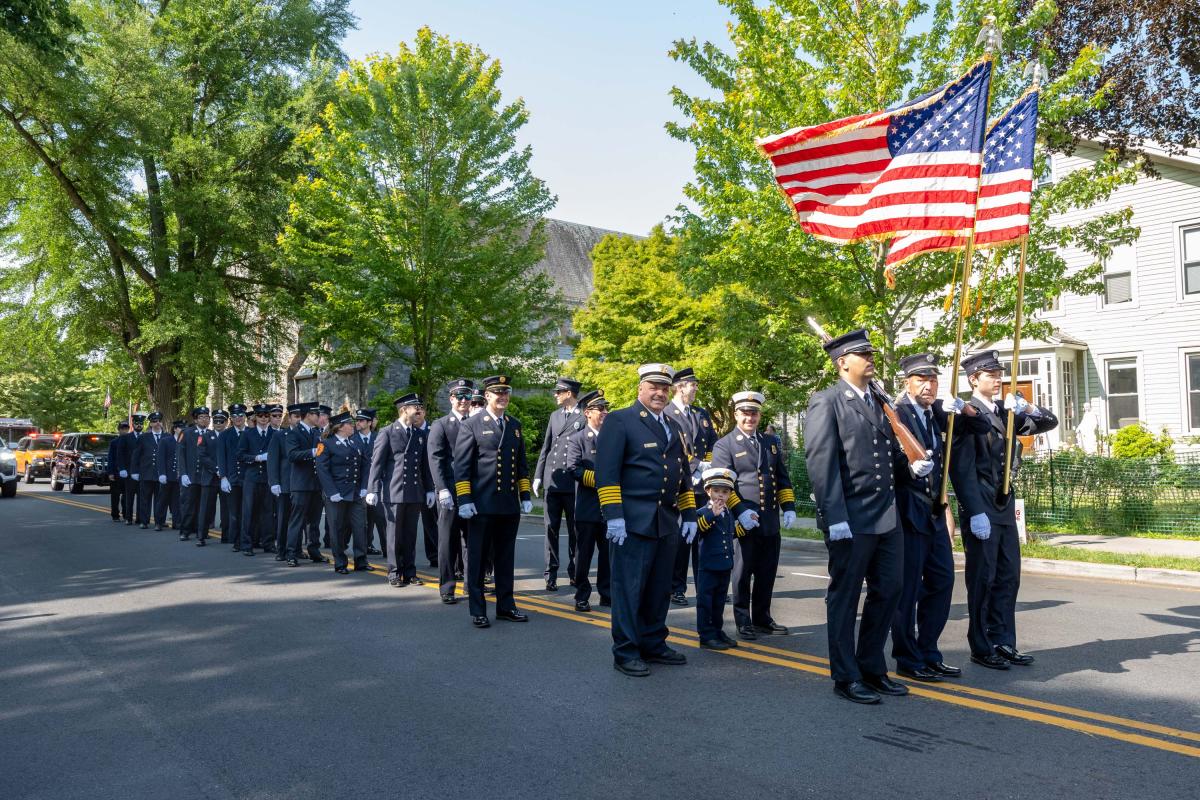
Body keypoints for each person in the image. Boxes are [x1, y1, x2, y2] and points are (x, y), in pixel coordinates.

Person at [804, 329, 915, 705]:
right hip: (850, 517)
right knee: (845, 597)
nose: (870, 359)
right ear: (843, 363)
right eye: (862, 354)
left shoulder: (879, 399)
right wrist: (833, 515)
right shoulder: (827, 401)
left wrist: (912, 465)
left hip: (886, 515)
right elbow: (821, 462)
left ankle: (872, 667)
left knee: (889, 591)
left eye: (870, 353)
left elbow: (887, 453)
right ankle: (846, 676)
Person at [950, 350, 1059, 670]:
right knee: (983, 578)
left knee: (1008, 576)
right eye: (990, 375)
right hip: (982, 505)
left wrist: (1027, 406)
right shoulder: (965, 414)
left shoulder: (1005, 411)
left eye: (999, 375)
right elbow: (961, 468)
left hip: (1004, 503)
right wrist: (973, 509)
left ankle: (1003, 641)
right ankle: (981, 644)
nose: (997, 380)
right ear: (974, 379)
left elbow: (1047, 423)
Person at [595, 363, 698, 677]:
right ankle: (625, 651)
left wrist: (690, 513)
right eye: (654, 387)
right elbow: (606, 473)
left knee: (658, 588)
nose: (659, 393)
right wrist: (614, 517)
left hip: (664, 521)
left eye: (665, 388)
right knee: (629, 589)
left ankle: (653, 642)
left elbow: (682, 476)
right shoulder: (620, 421)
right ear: (640, 388)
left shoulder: (674, 426)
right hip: (632, 522)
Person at [890, 353, 983, 682]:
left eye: (932, 380)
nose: (928, 386)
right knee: (908, 588)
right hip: (909, 511)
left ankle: (929, 651)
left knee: (943, 581)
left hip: (934, 509)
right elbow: (889, 465)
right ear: (908, 383)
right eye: (921, 380)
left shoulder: (936, 414)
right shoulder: (896, 415)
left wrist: (965, 407)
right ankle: (907, 655)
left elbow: (980, 425)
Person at [712, 390, 797, 640]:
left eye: (754, 413)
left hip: (769, 520)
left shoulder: (769, 442)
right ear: (736, 414)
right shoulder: (724, 444)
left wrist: (789, 507)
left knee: (767, 572)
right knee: (742, 572)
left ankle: (762, 618)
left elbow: (782, 478)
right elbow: (723, 485)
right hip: (742, 521)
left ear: (759, 415)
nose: (750, 418)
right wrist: (740, 511)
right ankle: (743, 620)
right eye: (745, 413)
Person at [452, 375, 533, 628]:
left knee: (505, 558)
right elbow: (462, 466)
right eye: (498, 393)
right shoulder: (472, 425)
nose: (503, 398)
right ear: (487, 396)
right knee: (476, 557)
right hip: (482, 504)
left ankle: (506, 606)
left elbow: (521, 464)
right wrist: (464, 499)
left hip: (508, 505)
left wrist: (525, 495)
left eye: (506, 393)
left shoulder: (514, 425)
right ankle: (477, 609)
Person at [367, 394, 435, 588]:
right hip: (394, 491)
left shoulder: (419, 434)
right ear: (404, 409)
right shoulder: (387, 432)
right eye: (416, 407)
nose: (419, 411)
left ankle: (410, 572)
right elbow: (377, 463)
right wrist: (373, 488)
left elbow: (425, 466)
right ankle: (395, 572)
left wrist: (429, 490)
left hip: (414, 492)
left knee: (411, 535)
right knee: (394, 535)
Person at [667, 367, 718, 606]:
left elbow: (711, 444)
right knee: (680, 541)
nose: (696, 388)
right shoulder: (667, 413)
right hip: (679, 484)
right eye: (692, 384)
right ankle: (676, 587)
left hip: (701, 486)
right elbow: (671, 448)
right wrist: (695, 466)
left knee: (702, 537)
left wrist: (707, 465)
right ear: (679, 386)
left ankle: (703, 585)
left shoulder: (701, 414)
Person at [534, 377, 583, 591]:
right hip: (553, 480)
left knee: (575, 531)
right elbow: (547, 447)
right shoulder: (555, 416)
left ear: (569, 393)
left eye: (559, 391)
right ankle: (550, 573)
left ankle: (575, 571)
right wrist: (537, 476)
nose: (555, 395)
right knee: (550, 530)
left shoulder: (583, 415)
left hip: (573, 484)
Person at [564, 389, 611, 613]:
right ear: (587, 413)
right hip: (588, 506)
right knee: (583, 554)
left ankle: (607, 593)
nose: (604, 412)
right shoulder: (577, 439)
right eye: (600, 409)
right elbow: (573, 469)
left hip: (610, 506)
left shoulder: (613, 438)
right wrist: (602, 481)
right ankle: (582, 594)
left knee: (608, 554)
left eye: (606, 408)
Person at [427, 379, 474, 603]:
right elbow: (435, 459)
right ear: (452, 399)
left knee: (472, 541)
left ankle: (471, 584)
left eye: (467, 396)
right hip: (450, 491)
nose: (464, 401)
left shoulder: (475, 423)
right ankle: (447, 587)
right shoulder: (441, 424)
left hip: (472, 491)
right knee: (448, 540)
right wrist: (442, 489)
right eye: (460, 396)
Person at [694, 467, 742, 650]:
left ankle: (717, 630)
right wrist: (711, 515)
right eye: (716, 491)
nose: (720, 496)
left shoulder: (728, 512)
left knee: (719, 601)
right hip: (708, 565)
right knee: (705, 601)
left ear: (730, 493)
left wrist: (745, 527)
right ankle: (706, 635)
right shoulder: (702, 512)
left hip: (724, 564)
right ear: (707, 491)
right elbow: (698, 529)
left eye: (725, 492)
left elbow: (728, 534)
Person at [317, 411, 369, 574]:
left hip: (354, 493)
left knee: (360, 527)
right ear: (340, 427)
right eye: (349, 423)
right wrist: (331, 491)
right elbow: (322, 470)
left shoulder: (355, 443)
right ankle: (340, 563)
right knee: (337, 529)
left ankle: (361, 560)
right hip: (337, 494)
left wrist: (364, 486)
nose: (353, 426)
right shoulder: (326, 444)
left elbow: (365, 465)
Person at [285, 402, 327, 567]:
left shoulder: (317, 432)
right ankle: (291, 553)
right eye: (317, 414)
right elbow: (292, 455)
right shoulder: (294, 433)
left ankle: (314, 551)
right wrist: (312, 452)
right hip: (301, 484)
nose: (320, 417)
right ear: (308, 415)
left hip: (316, 484)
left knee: (314, 522)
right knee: (297, 520)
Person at [235, 404, 277, 556]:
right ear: (255, 417)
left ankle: (268, 542)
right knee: (248, 512)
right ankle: (247, 544)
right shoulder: (248, 434)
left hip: (268, 477)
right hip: (252, 477)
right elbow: (240, 455)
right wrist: (256, 458)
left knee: (268, 512)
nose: (264, 419)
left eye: (267, 416)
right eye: (261, 416)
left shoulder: (275, 433)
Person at [180, 407, 220, 546]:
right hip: (192, 475)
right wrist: (183, 473)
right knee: (189, 504)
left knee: (205, 506)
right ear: (196, 419)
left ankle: (201, 531)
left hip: (207, 475)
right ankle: (185, 530)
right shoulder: (187, 433)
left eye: (207, 417)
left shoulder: (211, 434)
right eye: (201, 417)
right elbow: (181, 454)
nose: (205, 419)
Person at [411, 402, 441, 569]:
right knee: (429, 521)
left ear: (424, 412)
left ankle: (443, 552)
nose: (417, 414)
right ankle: (434, 556)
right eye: (415, 411)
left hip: (438, 480)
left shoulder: (434, 429)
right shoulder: (411, 432)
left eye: (420, 411)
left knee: (441, 520)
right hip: (421, 483)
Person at [352, 409, 385, 557]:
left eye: (361, 420)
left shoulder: (379, 438)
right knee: (363, 521)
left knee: (380, 518)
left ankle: (387, 549)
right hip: (358, 485)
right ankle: (365, 546)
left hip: (377, 484)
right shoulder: (352, 438)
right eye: (357, 420)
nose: (357, 423)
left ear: (369, 423)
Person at [135, 412, 175, 530]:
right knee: (145, 499)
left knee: (161, 500)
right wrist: (135, 471)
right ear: (150, 424)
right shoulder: (143, 437)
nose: (157, 423)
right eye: (154, 421)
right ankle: (144, 521)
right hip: (146, 472)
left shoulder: (167, 437)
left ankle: (159, 522)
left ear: (162, 423)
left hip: (162, 474)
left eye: (159, 421)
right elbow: (136, 455)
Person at [268, 404, 298, 560]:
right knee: (283, 518)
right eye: (296, 416)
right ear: (290, 418)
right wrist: (274, 482)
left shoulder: (306, 434)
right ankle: (281, 550)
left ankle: (296, 549)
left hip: (301, 484)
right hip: (285, 483)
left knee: (298, 519)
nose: (298, 420)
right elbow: (273, 460)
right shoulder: (280, 435)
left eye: (301, 416)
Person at [119, 414, 145, 526]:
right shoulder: (126, 437)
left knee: (142, 497)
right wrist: (122, 468)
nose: (139, 425)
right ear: (133, 424)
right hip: (129, 472)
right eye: (137, 423)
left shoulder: (146, 437)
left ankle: (140, 518)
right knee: (129, 496)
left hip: (143, 472)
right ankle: (128, 518)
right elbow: (120, 454)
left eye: (141, 423)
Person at [107, 421, 130, 522]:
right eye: (122, 429)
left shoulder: (131, 441)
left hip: (128, 472)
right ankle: (115, 515)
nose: (124, 431)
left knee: (126, 495)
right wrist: (110, 472)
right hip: (116, 472)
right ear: (119, 430)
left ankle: (126, 514)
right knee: (115, 495)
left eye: (126, 429)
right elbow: (110, 458)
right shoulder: (114, 442)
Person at [166, 419, 185, 529]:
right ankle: (175, 521)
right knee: (172, 499)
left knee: (181, 500)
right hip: (171, 475)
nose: (182, 430)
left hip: (183, 474)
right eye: (180, 428)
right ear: (174, 429)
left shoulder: (185, 440)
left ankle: (180, 521)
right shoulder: (168, 440)